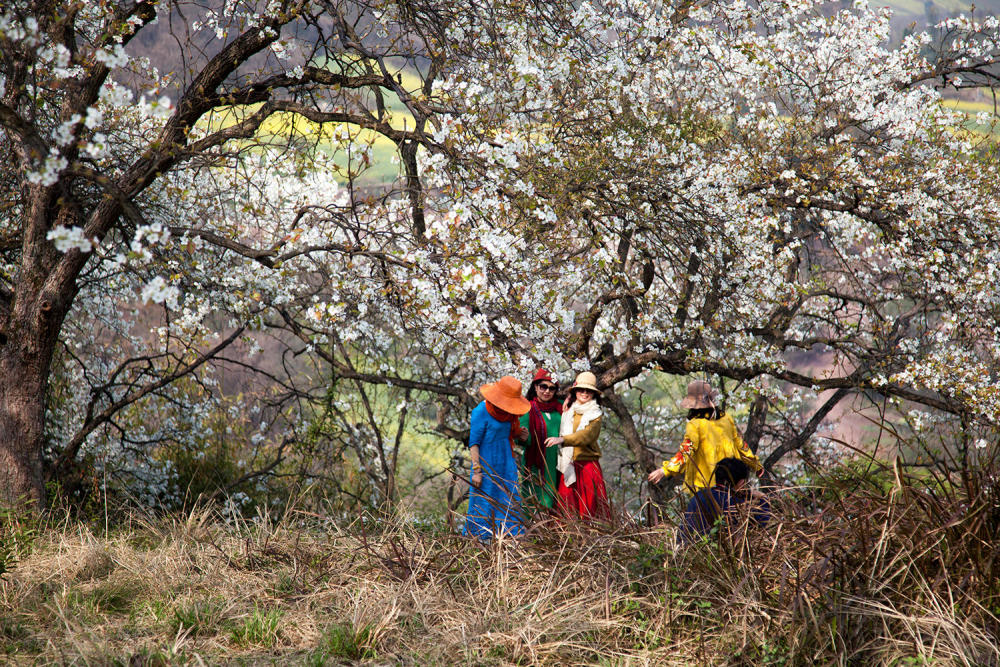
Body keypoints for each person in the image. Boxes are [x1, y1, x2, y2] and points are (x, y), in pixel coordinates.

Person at [648, 379, 762, 494]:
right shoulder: (726, 418)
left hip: (706, 484)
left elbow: (686, 451)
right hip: (730, 481)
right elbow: (741, 445)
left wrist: (665, 470)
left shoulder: (695, 424)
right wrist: (756, 464)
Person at [465, 375, 531, 539]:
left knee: (508, 501)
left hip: (506, 464)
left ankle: (508, 541)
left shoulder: (510, 414)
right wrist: (476, 470)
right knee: (484, 501)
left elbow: (512, 433)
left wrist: (521, 435)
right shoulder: (481, 411)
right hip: (486, 465)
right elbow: (474, 443)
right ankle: (481, 542)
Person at [545, 371, 610, 520]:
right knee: (566, 507)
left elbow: (587, 436)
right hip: (567, 465)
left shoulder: (595, 413)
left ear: (594, 394)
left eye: (589, 391)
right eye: (581, 389)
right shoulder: (569, 409)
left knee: (589, 509)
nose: (585, 393)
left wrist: (563, 440)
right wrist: (569, 398)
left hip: (587, 467)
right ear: (575, 391)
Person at [681, 457, 770, 542]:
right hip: (715, 554)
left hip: (687, 550)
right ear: (741, 482)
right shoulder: (736, 504)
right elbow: (760, 525)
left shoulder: (698, 496)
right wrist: (764, 499)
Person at [518, 369, 563, 513]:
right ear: (536, 387)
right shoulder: (527, 409)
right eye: (543, 387)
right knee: (534, 505)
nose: (547, 391)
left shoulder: (561, 408)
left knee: (558, 506)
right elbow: (522, 435)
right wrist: (524, 438)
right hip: (536, 466)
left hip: (559, 465)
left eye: (551, 388)